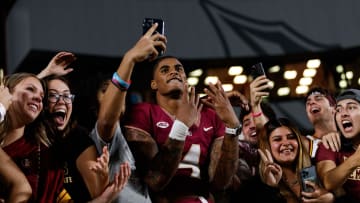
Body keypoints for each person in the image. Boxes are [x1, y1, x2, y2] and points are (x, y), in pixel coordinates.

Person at [124, 53, 241, 202]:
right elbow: (155, 180)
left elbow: (221, 182)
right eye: (165, 70)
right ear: (154, 84)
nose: (174, 72)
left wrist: (232, 127)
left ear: (186, 79)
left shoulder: (210, 115)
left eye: (179, 69)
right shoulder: (143, 112)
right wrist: (181, 125)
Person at [88, 23, 167, 203]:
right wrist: (130, 58)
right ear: (94, 106)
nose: (115, 95)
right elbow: (107, 120)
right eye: (105, 91)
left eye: (117, 91)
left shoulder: (134, 131)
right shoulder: (103, 134)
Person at [39, 51, 132, 202]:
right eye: (53, 95)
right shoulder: (29, 137)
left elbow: (98, 196)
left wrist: (130, 58)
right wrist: (45, 73)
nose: (62, 101)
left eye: (66, 96)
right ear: (41, 102)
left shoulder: (79, 139)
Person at [0, 73, 63, 202]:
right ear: (5, 93)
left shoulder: (44, 156)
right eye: (30, 89)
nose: (39, 99)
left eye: (42, 96)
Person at [258, 117, 334, 203]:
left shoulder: (317, 169)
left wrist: (331, 199)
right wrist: (271, 188)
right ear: (267, 147)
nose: (286, 143)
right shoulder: (257, 185)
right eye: (277, 139)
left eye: (291, 137)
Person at [316, 89, 360, 202]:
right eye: (338, 110)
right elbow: (328, 182)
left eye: (351, 107)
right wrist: (355, 159)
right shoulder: (330, 144)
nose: (344, 113)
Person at [304, 87, 340, 158]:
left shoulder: (350, 138)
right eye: (308, 102)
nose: (311, 102)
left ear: (334, 108)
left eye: (318, 98)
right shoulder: (303, 144)